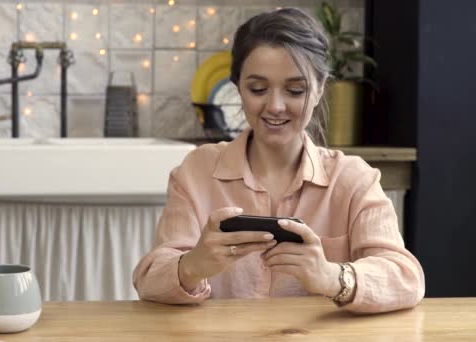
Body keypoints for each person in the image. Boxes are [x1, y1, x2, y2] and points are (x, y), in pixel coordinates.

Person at [133, 8, 425, 313]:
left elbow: (406, 279)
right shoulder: (196, 172)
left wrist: (332, 277)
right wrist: (193, 266)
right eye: (258, 89)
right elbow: (149, 279)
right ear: (238, 88)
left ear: (320, 88)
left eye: (295, 90)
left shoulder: (354, 180)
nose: (275, 106)